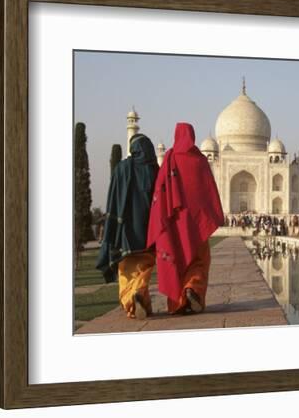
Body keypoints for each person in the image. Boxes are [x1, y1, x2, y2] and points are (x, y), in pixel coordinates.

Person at [147, 123, 224, 314]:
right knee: (199, 260)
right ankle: (192, 289)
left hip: (174, 221)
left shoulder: (170, 158)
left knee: (176, 258)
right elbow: (209, 192)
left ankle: (178, 303)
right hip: (197, 224)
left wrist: (160, 217)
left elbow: (160, 189)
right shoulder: (200, 161)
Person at [95, 134, 159, 319]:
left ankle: (132, 300)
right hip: (148, 231)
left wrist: (112, 223)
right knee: (144, 266)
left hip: (125, 232)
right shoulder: (155, 169)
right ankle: (140, 294)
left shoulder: (121, 168)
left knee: (126, 269)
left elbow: (113, 198)